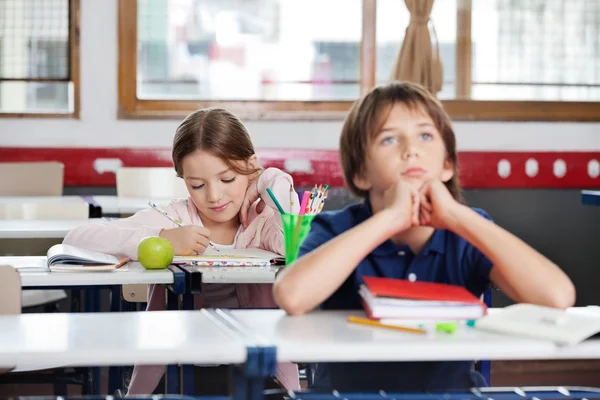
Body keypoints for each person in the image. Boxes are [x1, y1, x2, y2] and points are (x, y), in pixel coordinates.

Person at [273, 81, 575, 393]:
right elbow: (293, 296)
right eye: (389, 139)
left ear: (447, 165)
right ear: (361, 172)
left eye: (425, 136)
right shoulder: (336, 229)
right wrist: (390, 219)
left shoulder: (467, 230)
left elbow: (555, 297)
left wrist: (457, 216)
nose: (411, 150)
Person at [64, 107, 300, 395]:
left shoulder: (264, 222)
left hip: (259, 370)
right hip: (178, 369)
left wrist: (276, 182)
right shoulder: (175, 219)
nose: (214, 196)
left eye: (227, 180)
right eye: (197, 185)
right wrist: (162, 238)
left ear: (251, 167)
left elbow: (296, 247)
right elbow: (76, 239)